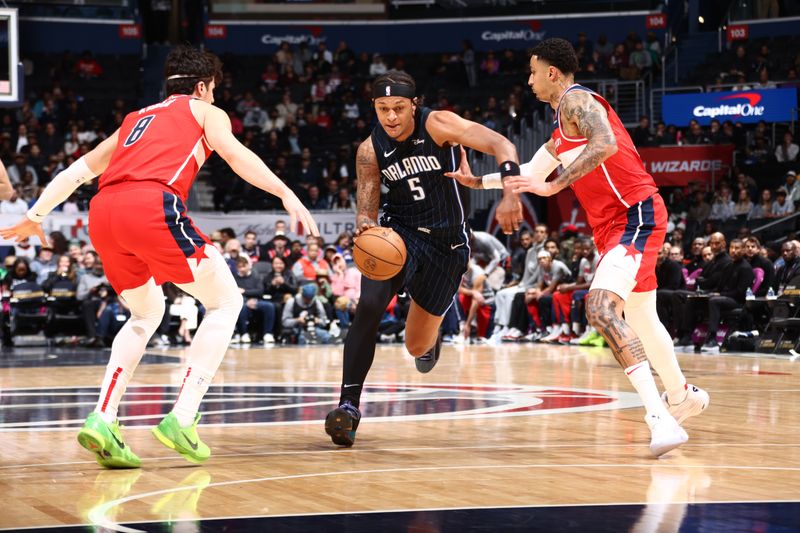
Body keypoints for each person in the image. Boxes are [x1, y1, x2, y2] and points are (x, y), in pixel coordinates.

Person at [0, 46, 318, 469]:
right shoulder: (206, 111)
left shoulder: (136, 119)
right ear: (204, 87)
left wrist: (34, 215)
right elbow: (236, 155)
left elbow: (79, 170)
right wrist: (284, 191)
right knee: (225, 302)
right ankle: (183, 417)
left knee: (146, 313)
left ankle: (103, 418)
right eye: (213, 90)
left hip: (104, 212)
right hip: (150, 205)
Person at [449, 39, 708, 457]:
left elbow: (603, 144)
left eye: (533, 72)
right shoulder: (559, 131)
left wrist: (555, 185)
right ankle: (682, 397)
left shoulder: (576, 101)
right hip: (612, 226)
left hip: (634, 214)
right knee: (641, 315)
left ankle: (659, 417)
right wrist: (476, 181)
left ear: (552, 73)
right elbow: (530, 173)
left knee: (601, 308)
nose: (529, 81)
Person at [324, 69, 522, 447]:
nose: (391, 117)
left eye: (399, 107)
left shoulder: (439, 124)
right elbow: (366, 208)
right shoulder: (369, 150)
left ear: (414, 104)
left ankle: (430, 339)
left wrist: (510, 192)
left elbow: (501, 144)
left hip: (448, 245)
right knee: (369, 305)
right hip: (401, 236)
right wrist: (365, 227)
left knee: (416, 347)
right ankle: (347, 407)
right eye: (383, 109)